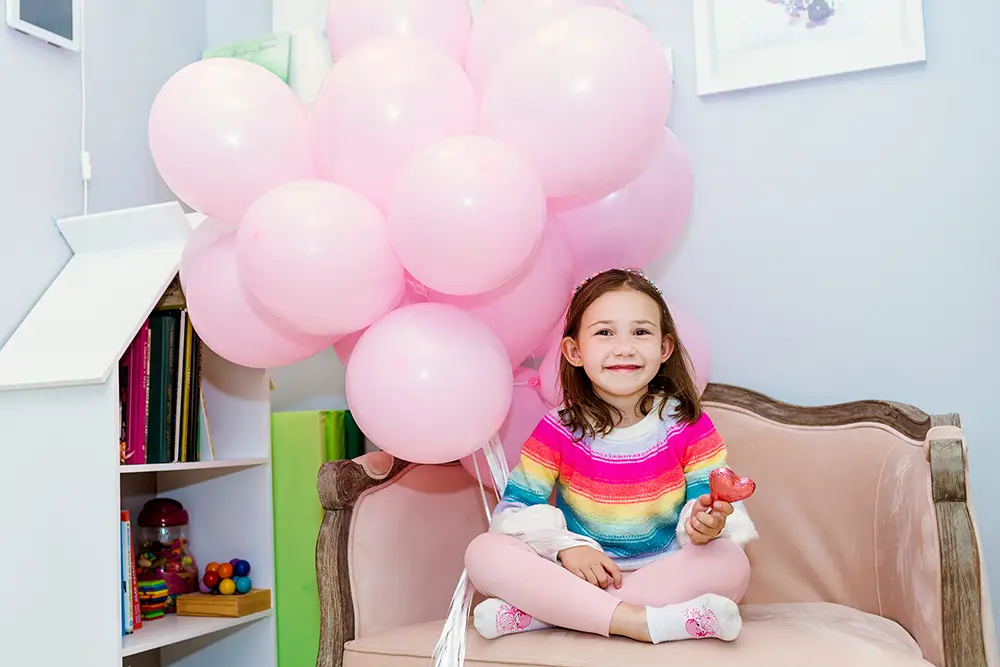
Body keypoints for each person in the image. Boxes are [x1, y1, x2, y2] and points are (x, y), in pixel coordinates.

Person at [464, 268, 757, 645]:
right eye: (605, 332)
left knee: (731, 563)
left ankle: (554, 614)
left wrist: (704, 524)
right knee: (483, 552)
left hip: (665, 572)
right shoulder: (558, 429)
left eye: (641, 332)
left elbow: (707, 501)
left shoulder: (687, 423)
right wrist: (568, 548)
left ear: (664, 348)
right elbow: (514, 511)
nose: (624, 347)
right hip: (580, 573)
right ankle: (643, 622)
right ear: (574, 351)